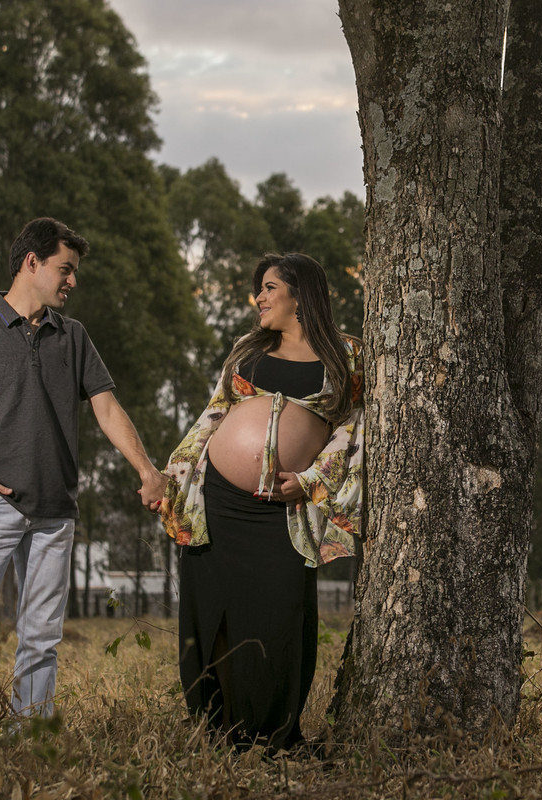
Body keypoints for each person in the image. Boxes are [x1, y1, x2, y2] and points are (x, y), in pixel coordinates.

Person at [0, 217, 168, 725]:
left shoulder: (72, 336)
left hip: (55, 512)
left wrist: (147, 470)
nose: (72, 281)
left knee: (41, 637)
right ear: (32, 262)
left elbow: (106, 408)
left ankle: (31, 734)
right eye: (66, 269)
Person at [161, 252, 363, 751]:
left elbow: (357, 425)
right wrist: (170, 479)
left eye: (270, 287)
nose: (260, 298)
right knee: (218, 613)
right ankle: (218, 732)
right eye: (260, 289)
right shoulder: (247, 348)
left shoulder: (347, 354)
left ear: (301, 293)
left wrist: (313, 478)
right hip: (220, 502)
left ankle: (273, 735)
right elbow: (213, 415)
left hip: (286, 509)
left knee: (278, 618)